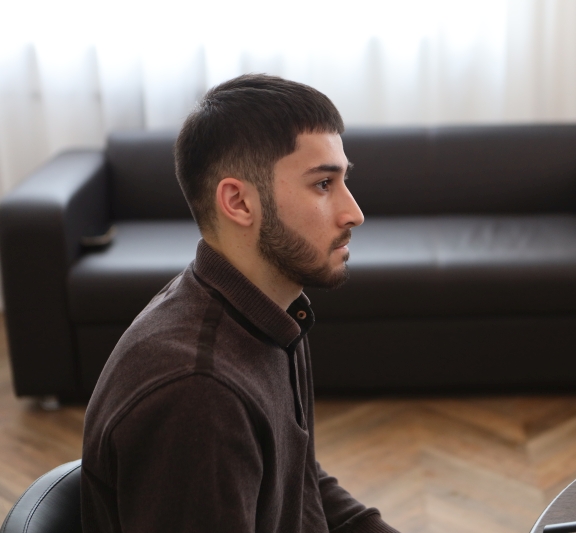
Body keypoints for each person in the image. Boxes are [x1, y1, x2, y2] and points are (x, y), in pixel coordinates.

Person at [81, 74, 400, 533]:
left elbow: (300, 485)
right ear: (239, 202)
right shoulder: (199, 393)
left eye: (343, 180)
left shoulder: (272, 311)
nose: (354, 212)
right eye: (323, 184)